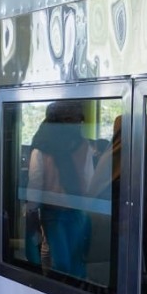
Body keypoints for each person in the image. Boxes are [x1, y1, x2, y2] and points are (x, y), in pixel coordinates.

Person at [25, 101, 101, 280]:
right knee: (75, 262)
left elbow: (35, 185)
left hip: (53, 212)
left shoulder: (41, 148)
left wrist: (31, 212)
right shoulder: (83, 146)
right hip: (77, 211)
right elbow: (89, 181)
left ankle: (60, 290)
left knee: (62, 262)